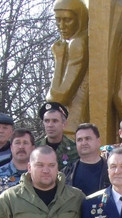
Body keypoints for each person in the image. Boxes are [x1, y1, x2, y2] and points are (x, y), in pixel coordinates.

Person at [48, 0, 89, 134]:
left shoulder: (77, 43)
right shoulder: (81, 40)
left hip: (73, 125)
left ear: (80, 18)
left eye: (67, 20)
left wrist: (59, 59)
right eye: (58, 20)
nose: (62, 26)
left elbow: (58, 97)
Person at [63, 123, 110, 195]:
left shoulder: (111, 169)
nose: (83, 143)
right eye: (79, 140)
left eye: (87, 138)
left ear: (98, 141)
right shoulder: (67, 172)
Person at [37, 102, 80, 170]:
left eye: (55, 121)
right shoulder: (35, 149)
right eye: (47, 121)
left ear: (64, 124)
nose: (50, 125)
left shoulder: (75, 149)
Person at [0, 128, 36, 192]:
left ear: (33, 148)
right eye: (17, 143)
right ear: (11, 147)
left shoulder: (39, 174)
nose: (21, 146)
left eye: (25, 143)